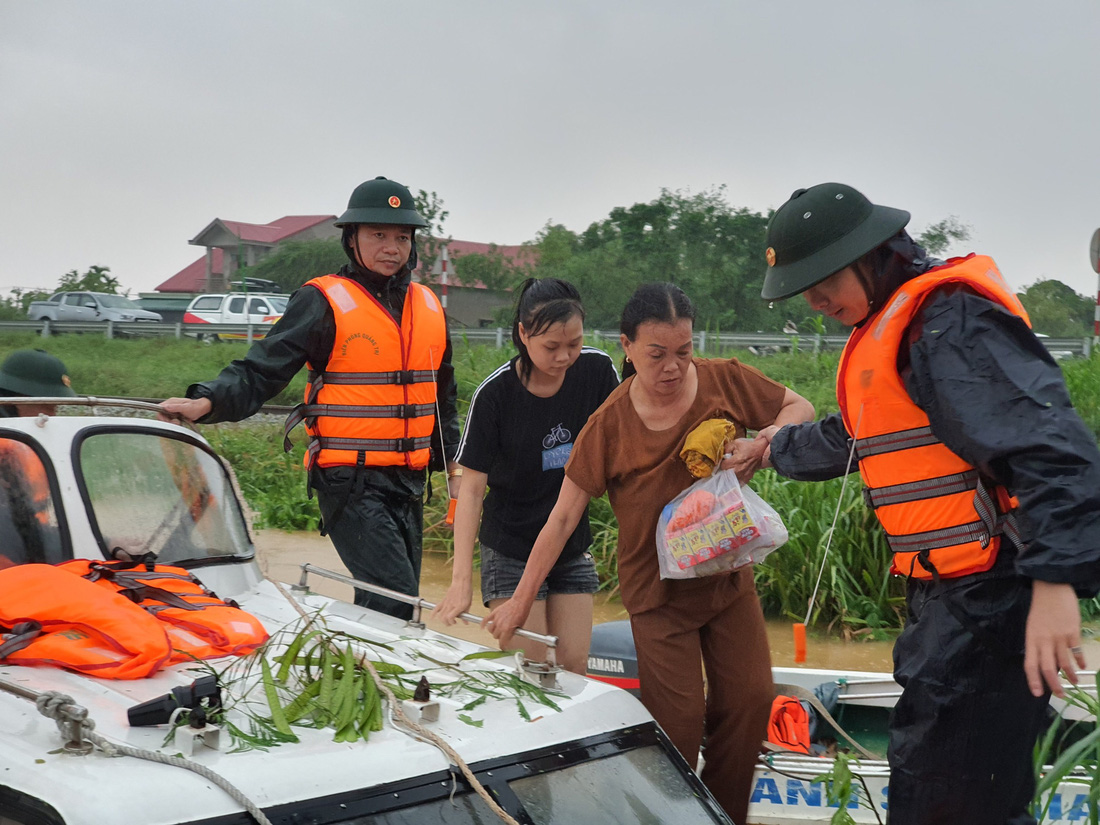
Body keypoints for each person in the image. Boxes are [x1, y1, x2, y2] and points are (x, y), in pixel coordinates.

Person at [750, 181, 1100, 825]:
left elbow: (1052, 446)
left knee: (943, 801)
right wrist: (772, 448)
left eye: (823, 278)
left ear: (872, 254)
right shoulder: (895, 328)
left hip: (990, 602)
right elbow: (863, 437)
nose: (815, 298)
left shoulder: (948, 322)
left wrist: (1056, 584)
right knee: (967, 799)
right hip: (949, 606)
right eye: (805, 287)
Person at [485, 282, 815, 822]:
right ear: (628, 347)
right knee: (679, 727)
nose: (672, 367)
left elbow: (798, 405)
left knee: (751, 704)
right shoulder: (608, 424)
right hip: (658, 599)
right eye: (657, 354)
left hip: (728, 579)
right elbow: (564, 516)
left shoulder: (725, 379)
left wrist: (766, 441)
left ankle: (723, 816)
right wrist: (521, 600)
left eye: (682, 352)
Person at [160, 176, 462, 619]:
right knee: (396, 602)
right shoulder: (321, 300)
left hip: (409, 482)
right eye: (378, 235)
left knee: (393, 605)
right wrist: (207, 401)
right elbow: (263, 367)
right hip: (350, 482)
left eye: (401, 237)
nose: (392, 247)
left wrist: (453, 459)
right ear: (352, 239)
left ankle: (357, 679)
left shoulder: (429, 306)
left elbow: (443, 396)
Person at [432, 278, 619, 674]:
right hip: (511, 547)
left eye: (574, 344)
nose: (565, 357)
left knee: (572, 665)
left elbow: (627, 441)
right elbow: (470, 492)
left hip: (569, 544)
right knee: (532, 668)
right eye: (551, 347)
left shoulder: (597, 372)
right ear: (522, 333)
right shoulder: (495, 396)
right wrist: (461, 581)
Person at [0, 349, 74, 566]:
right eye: (47, 406)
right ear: (16, 401)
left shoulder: (21, 446)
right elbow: (14, 526)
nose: (53, 416)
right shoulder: (7, 451)